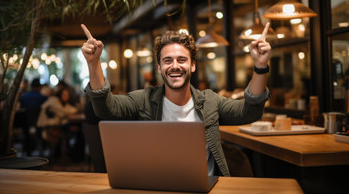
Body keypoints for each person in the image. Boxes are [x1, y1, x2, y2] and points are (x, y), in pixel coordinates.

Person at [81, 23, 271, 176]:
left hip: (207, 187)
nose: (175, 66)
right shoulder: (143, 100)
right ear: (159, 67)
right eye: (167, 60)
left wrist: (260, 66)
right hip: (158, 188)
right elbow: (106, 108)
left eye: (182, 60)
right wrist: (93, 63)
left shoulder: (211, 101)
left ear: (193, 65)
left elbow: (250, 111)